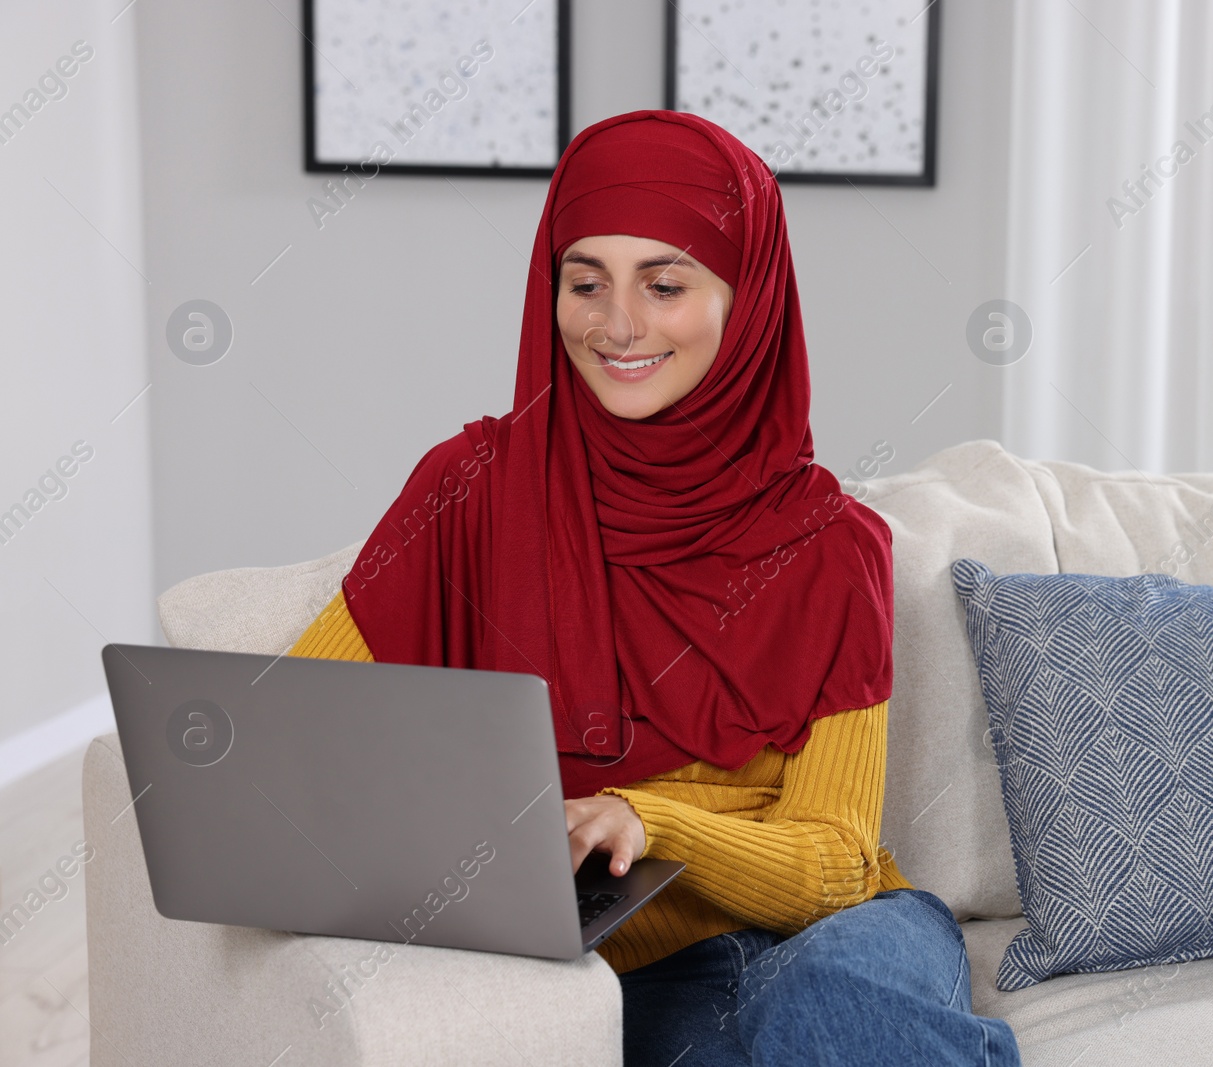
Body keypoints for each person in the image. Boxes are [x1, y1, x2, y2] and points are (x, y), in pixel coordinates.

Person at [287, 109, 1022, 1067]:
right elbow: (299, 744)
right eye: (584, 282)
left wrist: (649, 818)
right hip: (626, 967)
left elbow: (837, 862)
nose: (616, 324)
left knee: (836, 1007)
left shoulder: (831, 546)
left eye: (664, 284)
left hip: (839, 931)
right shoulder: (467, 494)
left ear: (744, 297)